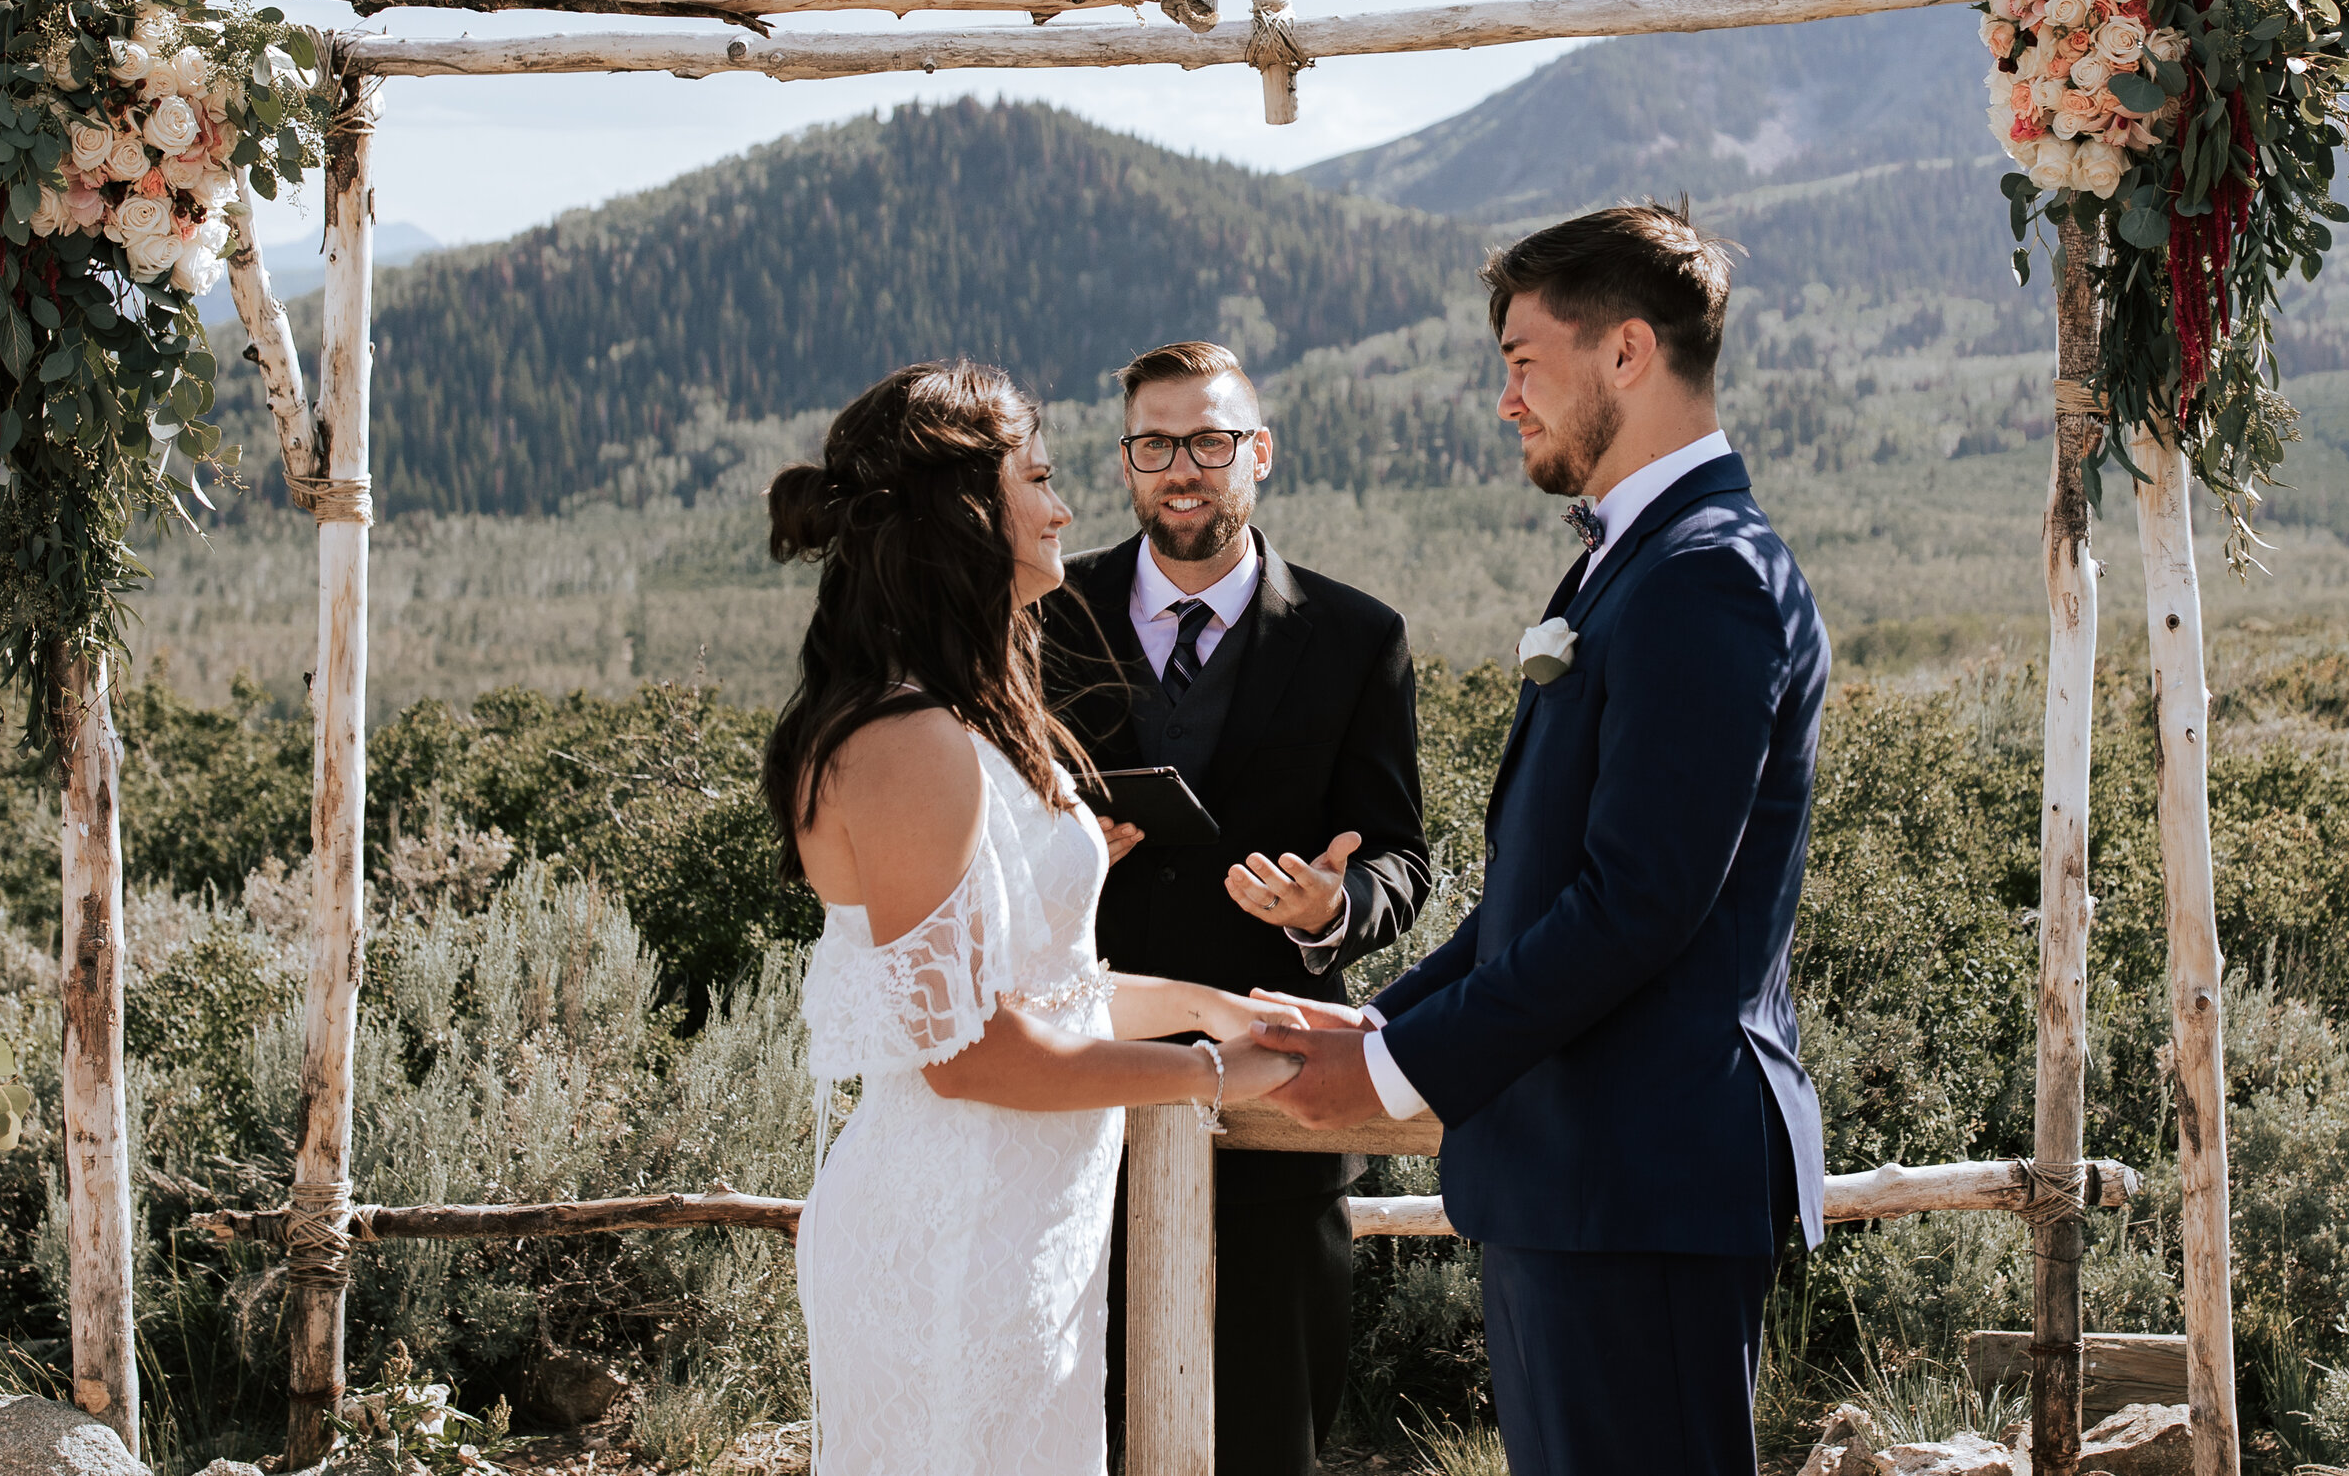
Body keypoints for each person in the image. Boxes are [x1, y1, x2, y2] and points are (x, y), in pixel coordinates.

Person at [1251, 205, 1832, 1475]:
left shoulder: (1706, 574)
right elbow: (1545, 886)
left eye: (1522, 360)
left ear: (1626, 353)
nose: (1506, 398)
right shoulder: (1624, 567)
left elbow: (1637, 904)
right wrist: (1378, 1025)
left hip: (1642, 1176)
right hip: (1575, 1182)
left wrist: (1401, 1079)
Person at [770, 360, 1306, 1476]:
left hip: (1026, 1227)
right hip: (952, 1239)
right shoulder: (906, 739)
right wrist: (1210, 1076)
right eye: (1042, 477)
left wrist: (1232, 1010)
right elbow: (970, 1056)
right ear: (967, 515)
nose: (1066, 507)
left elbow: (1047, 986)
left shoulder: (964, 712)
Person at [1040, 342, 1429, 1476]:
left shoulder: (1359, 637)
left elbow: (1399, 855)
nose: (1181, 469)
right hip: (1075, 1080)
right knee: (1081, 1421)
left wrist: (1330, 905)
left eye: (1209, 442)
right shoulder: (1043, 617)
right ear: (1125, 462)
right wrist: (1060, 862)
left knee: (1271, 1428)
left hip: (1274, 1087)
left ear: (1256, 454)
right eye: (1153, 444)